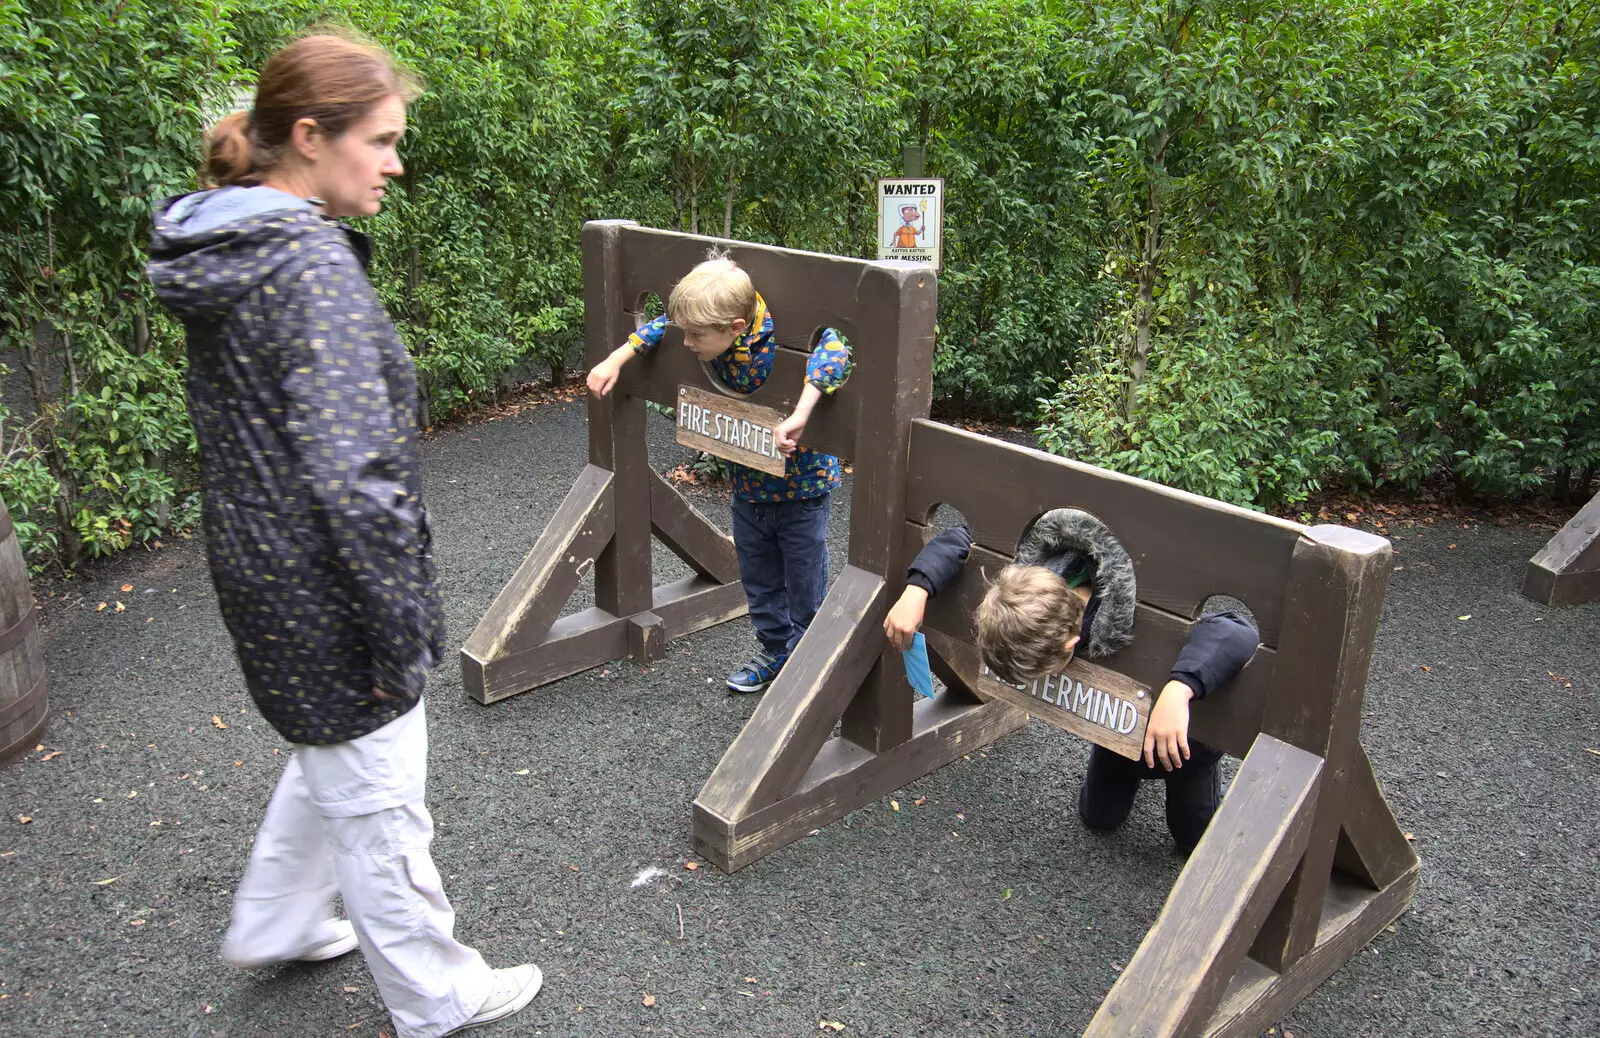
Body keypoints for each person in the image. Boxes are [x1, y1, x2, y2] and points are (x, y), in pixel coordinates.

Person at [146, 32, 539, 1037]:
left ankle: (275, 922)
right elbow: (353, 482)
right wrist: (400, 626)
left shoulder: (232, 243)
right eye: (384, 141)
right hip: (323, 586)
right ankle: (436, 994)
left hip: (263, 563)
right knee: (380, 791)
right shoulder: (304, 268)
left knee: (335, 754)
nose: (397, 164)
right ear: (312, 137)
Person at [882, 509, 1259, 852]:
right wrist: (918, 589)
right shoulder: (1028, 580)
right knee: (1098, 817)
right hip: (1117, 735)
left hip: (1186, 745)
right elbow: (964, 536)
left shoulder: (1138, 603)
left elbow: (1238, 629)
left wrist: (1181, 689)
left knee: (1194, 840)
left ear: (1072, 645)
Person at [586, 253, 851, 693]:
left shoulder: (790, 335)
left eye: (697, 336)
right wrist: (616, 359)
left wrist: (802, 412)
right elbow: (660, 329)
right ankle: (774, 650)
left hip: (802, 488)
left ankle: (807, 668)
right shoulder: (700, 328)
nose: (687, 343)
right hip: (746, 485)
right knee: (759, 579)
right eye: (685, 333)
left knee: (805, 584)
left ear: (735, 328)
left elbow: (836, 350)